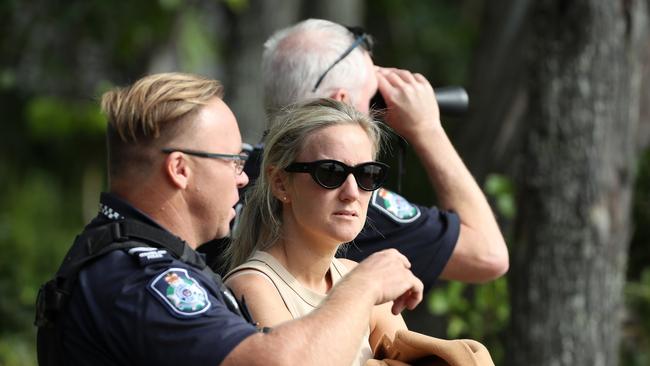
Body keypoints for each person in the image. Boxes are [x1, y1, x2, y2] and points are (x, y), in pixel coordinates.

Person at [34, 72, 423, 365]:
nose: (242, 176)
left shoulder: (125, 263)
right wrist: (364, 286)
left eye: (367, 174)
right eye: (232, 160)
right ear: (180, 170)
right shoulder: (141, 281)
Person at [200, 18, 508, 290]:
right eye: (373, 96)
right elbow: (489, 256)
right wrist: (427, 129)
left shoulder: (225, 173)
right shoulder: (346, 202)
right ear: (341, 102)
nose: (378, 110)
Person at [223, 98, 406, 365]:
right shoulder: (252, 287)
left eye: (367, 174)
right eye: (330, 173)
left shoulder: (357, 276)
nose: (352, 193)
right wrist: (364, 288)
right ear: (281, 184)